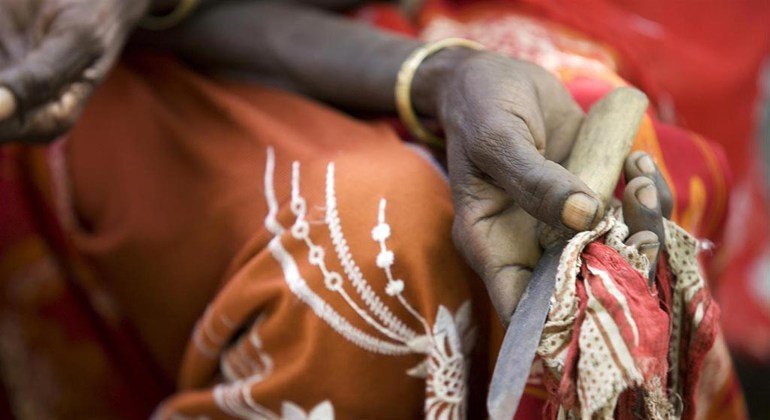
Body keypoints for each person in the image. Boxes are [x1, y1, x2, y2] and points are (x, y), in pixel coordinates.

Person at [0, 0, 746, 418]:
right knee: (371, 253)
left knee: (602, 163)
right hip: (146, 47)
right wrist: (430, 78)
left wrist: (444, 75)